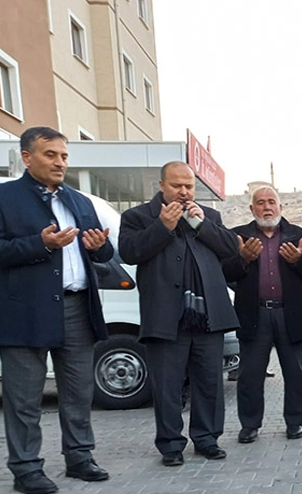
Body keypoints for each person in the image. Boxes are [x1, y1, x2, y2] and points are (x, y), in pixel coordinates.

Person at [0, 127, 112, 494]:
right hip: (25, 312)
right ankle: (26, 469)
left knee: (79, 391)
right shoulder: (5, 197)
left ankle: (80, 458)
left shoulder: (80, 201)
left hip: (77, 307)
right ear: (27, 157)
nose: (60, 162)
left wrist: (98, 248)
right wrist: (40, 243)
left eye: (64, 156)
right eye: (50, 155)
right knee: (24, 397)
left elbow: (105, 252)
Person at [119, 161, 240, 466]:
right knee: (168, 386)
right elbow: (130, 252)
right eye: (176, 186)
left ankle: (207, 439)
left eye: (189, 186)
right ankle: (171, 445)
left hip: (208, 315)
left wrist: (202, 224)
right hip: (165, 316)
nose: (184, 192)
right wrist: (163, 226)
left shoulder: (208, 215)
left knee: (210, 383)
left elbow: (229, 249)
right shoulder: (137, 217)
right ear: (161, 186)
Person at [222, 185, 302, 444]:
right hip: (254, 315)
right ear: (252, 208)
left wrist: (299, 260)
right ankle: (250, 425)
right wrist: (242, 258)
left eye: (271, 202)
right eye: (261, 203)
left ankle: (295, 422)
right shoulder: (237, 236)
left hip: (290, 314)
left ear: (280, 207)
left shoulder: (298, 235)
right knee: (250, 375)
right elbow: (225, 272)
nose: (266, 207)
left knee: (295, 373)